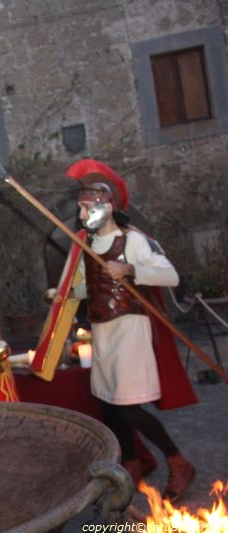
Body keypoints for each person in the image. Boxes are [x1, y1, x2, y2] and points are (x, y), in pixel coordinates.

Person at [64, 158, 197, 501]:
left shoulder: (133, 240)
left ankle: (178, 461)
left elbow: (170, 276)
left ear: (107, 206)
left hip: (130, 330)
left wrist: (130, 270)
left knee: (126, 406)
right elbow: (88, 288)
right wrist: (66, 293)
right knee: (109, 403)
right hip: (101, 331)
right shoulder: (87, 245)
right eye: (80, 208)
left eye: (87, 208)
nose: (81, 215)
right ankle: (131, 466)